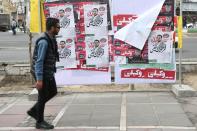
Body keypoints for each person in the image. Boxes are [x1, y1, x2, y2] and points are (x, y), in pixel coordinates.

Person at [28, 18, 60, 130]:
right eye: (57, 27)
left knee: (53, 91)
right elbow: (39, 61)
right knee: (42, 97)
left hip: (48, 72)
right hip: (41, 72)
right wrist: (39, 79)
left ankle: (34, 110)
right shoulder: (44, 41)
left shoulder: (51, 38)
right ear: (52, 28)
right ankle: (39, 122)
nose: (59, 29)